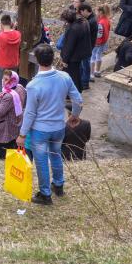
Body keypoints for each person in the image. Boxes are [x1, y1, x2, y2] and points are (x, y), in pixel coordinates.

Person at [18, 44, 84, 206]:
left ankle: (45, 194)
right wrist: (74, 115)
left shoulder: (33, 85)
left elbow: (30, 113)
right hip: (59, 126)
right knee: (56, 155)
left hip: (40, 130)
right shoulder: (64, 77)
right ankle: (59, 185)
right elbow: (78, 100)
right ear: (53, 58)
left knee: (41, 162)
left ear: (37, 60)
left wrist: (22, 134)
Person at [0, 69, 26, 160]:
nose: (3, 81)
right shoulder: (20, 88)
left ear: (13, 81)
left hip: (5, 130)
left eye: (6, 79)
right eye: (3, 78)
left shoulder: (8, 96)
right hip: (16, 126)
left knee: (0, 158)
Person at [59, 6, 92, 93]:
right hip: (81, 53)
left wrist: (65, 60)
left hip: (73, 56)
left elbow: (69, 46)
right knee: (77, 73)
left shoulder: (73, 29)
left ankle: (73, 94)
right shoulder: (84, 22)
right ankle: (77, 90)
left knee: (71, 76)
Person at [0, 14, 22, 90]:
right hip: (14, 63)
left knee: (1, 85)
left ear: (1, 24)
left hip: (1, 64)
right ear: (11, 23)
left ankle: (2, 100)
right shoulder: (18, 34)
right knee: (12, 83)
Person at [91, 4, 112, 81]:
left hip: (98, 42)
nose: (95, 13)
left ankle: (91, 74)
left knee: (92, 57)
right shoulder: (107, 20)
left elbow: (99, 35)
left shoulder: (100, 22)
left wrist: (95, 42)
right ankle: (97, 71)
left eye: (96, 11)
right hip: (104, 41)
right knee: (99, 55)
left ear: (100, 12)